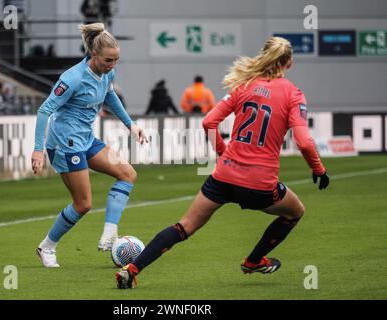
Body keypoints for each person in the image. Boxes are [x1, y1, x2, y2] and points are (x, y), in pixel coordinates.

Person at [115, 37, 330, 289]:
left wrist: (223, 152)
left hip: (224, 176)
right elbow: (304, 142)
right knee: (295, 212)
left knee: (184, 226)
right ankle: (253, 261)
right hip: (260, 183)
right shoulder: (293, 94)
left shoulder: (244, 85)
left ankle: (131, 269)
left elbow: (208, 122)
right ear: (289, 63)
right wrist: (318, 169)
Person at [32, 22, 148, 268]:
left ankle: (109, 232)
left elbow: (109, 95)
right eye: (108, 60)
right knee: (83, 204)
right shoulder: (72, 78)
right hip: (65, 144)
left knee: (127, 173)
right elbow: (44, 110)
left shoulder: (107, 73)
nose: (113, 65)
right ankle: (47, 247)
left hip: (85, 139)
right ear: (94, 54)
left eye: (116, 60)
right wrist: (38, 149)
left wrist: (131, 125)